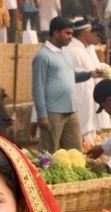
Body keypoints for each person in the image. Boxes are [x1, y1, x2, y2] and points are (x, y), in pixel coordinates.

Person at [33, 17, 102, 153]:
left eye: (71, 33)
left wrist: (89, 74)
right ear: (56, 33)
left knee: (75, 152)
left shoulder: (65, 53)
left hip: (71, 111)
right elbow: (38, 87)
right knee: (48, 153)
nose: (70, 37)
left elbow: (70, 77)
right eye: (67, 33)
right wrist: (42, 115)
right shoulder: (43, 56)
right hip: (53, 112)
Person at [65, 18, 111, 145]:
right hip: (79, 98)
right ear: (86, 32)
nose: (98, 39)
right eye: (94, 33)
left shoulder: (84, 50)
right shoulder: (75, 50)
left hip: (86, 99)